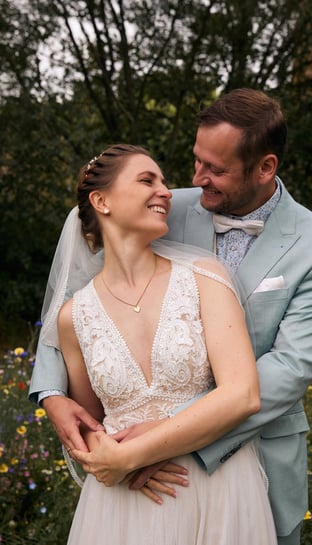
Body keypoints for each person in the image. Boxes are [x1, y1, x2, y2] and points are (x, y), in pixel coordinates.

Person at [29, 89, 312, 545]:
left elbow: (290, 368)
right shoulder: (164, 206)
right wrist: (50, 392)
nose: (197, 178)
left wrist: (166, 435)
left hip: (248, 458)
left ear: (265, 168)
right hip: (135, 477)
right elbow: (78, 290)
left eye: (216, 169)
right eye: (196, 160)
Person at [48, 143, 277, 544]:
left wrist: (134, 453)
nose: (167, 192)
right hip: (126, 501)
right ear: (101, 201)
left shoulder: (204, 277)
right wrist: (107, 457)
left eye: (165, 181)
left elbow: (242, 394)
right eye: (146, 180)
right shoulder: (73, 317)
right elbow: (88, 425)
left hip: (216, 486)